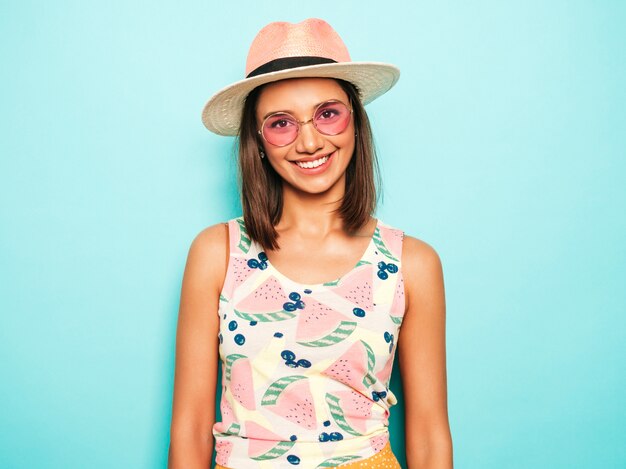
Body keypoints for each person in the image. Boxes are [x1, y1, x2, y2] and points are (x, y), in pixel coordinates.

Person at [168, 18, 452, 469]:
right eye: (281, 123)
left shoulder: (410, 262)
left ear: (356, 121)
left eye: (327, 113)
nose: (310, 141)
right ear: (257, 141)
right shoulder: (216, 253)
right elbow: (189, 425)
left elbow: (430, 432)